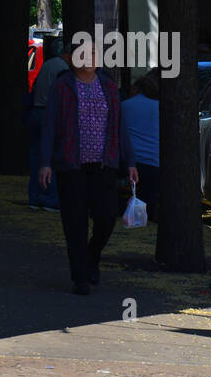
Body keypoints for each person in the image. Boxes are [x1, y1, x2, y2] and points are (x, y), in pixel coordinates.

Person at [39, 43, 138, 295]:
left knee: (106, 217)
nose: (89, 59)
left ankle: (92, 256)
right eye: (83, 54)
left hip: (104, 164)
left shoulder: (108, 85)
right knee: (75, 222)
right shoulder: (63, 85)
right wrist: (45, 162)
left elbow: (120, 126)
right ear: (73, 59)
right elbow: (49, 124)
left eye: (93, 54)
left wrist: (130, 162)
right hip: (71, 165)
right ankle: (80, 277)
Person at [27, 39, 70, 211]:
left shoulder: (49, 64)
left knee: (37, 157)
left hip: (37, 112)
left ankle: (35, 197)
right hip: (48, 113)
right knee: (52, 158)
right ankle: (51, 198)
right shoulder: (63, 68)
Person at [121, 72, 159, 221]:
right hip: (153, 160)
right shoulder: (159, 107)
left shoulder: (125, 106)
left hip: (129, 159)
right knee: (148, 195)